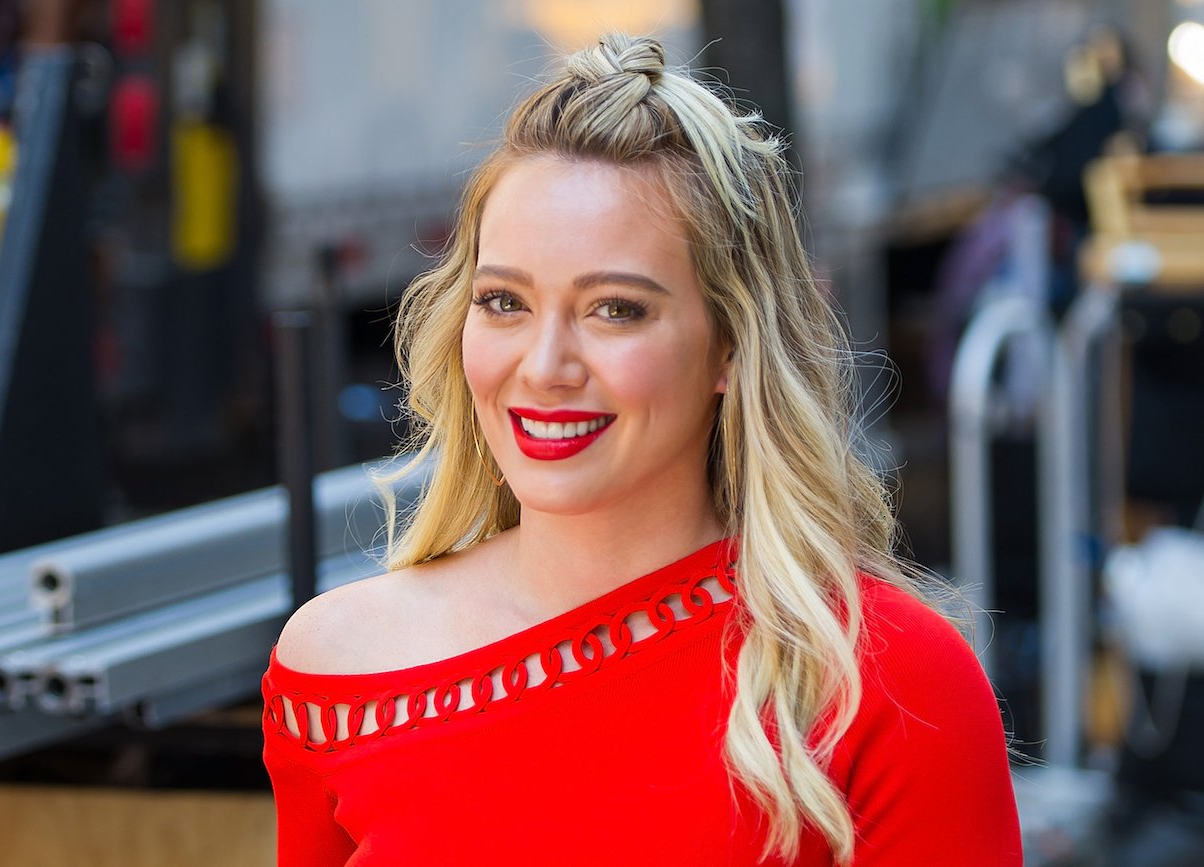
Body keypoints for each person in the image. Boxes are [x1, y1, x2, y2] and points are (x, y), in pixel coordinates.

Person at [262, 33, 1021, 866]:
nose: (544, 368)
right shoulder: (338, 673)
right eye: (505, 301)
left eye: (615, 309)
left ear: (730, 345)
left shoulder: (892, 683)